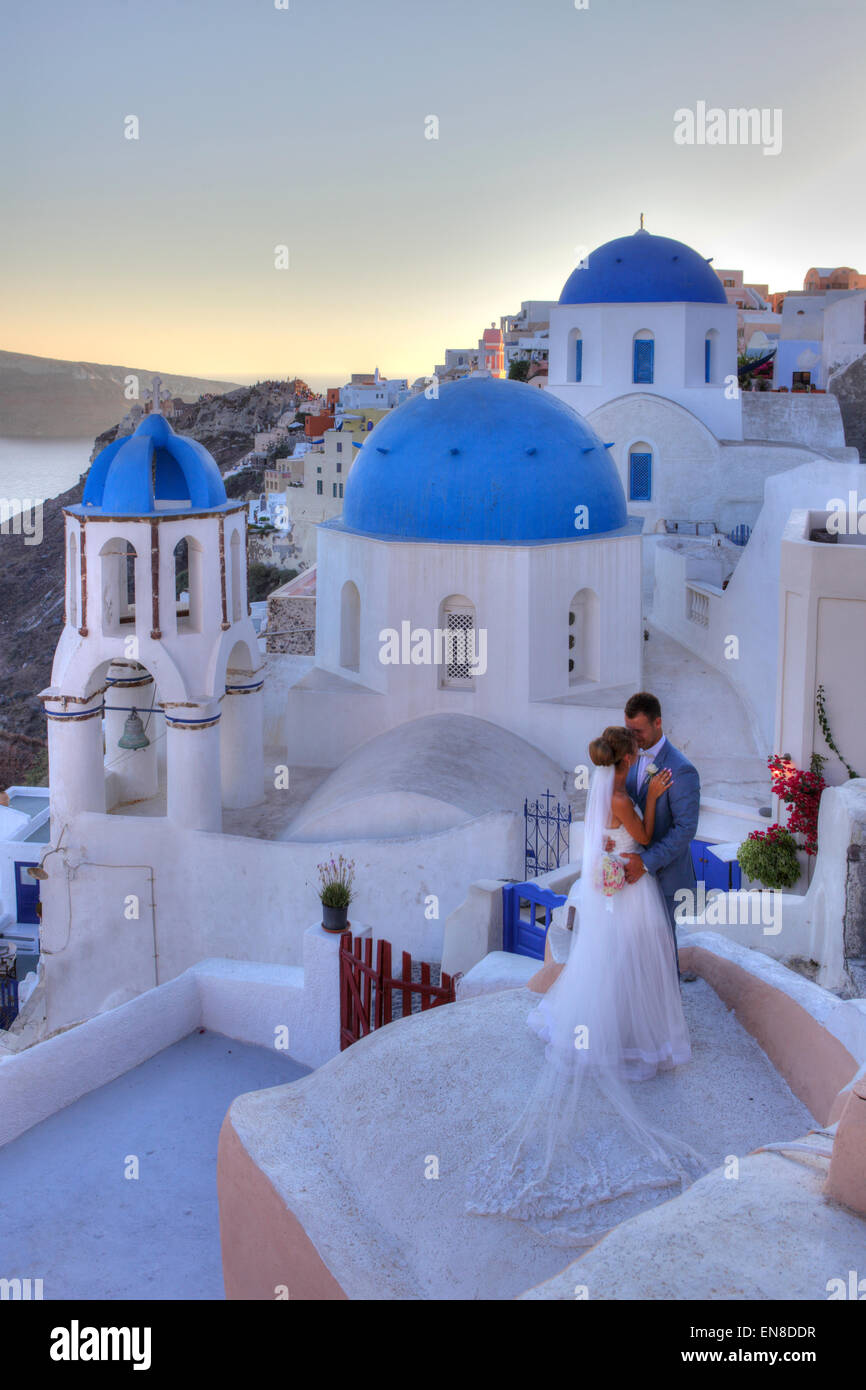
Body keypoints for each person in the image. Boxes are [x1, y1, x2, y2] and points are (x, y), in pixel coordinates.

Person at [465, 726, 706, 1245]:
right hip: (629, 885)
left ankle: (604, 1028)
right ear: (622, 762)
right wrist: (657, 798)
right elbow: (642, 838)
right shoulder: (620, 797)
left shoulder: (603, 795)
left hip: (606, 884)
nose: (639, 758)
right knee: (633, 962)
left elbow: (608, 838)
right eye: (633, 754)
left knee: (609, 964)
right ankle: (629, 1036)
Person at [617, 691, 701, 982]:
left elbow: (685, 830)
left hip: (664, 875)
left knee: (662, 949)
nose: (633, 737)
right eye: (629, 730)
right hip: (632, 874)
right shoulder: (630, 758)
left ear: (658, 723)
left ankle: (668, 1019)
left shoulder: (682, 770)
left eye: (638, 731)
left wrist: (646, 862)